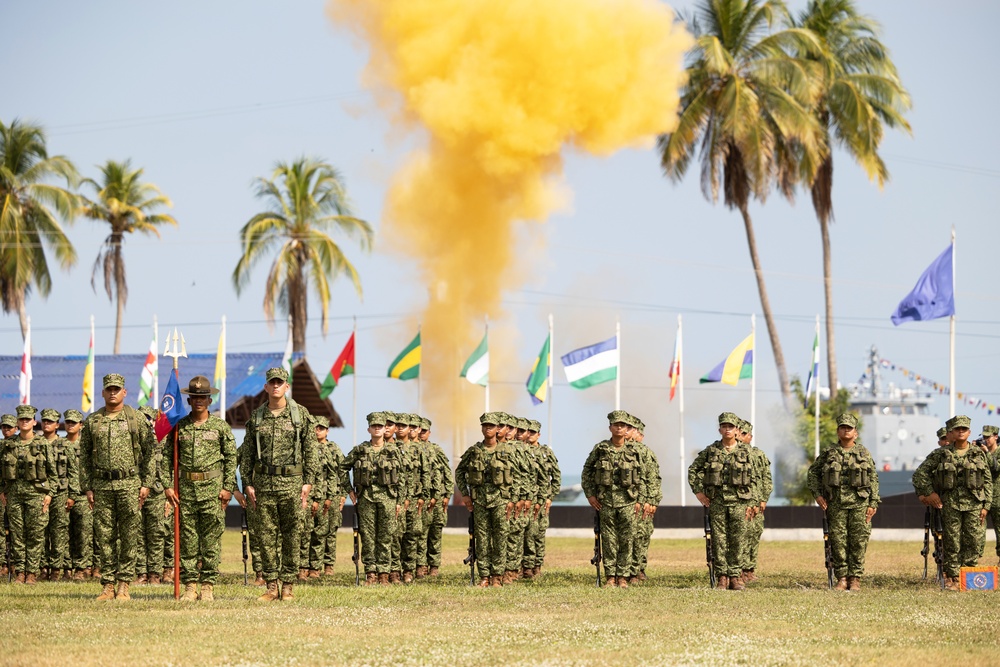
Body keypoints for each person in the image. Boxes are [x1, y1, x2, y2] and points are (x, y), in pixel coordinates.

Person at [240, 367, 319, 601]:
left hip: (292, 485)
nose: (275, 386)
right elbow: (247, 454)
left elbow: (311, 450)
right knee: (266, 536)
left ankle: (288, 586)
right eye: (271, 383)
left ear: (287, 386)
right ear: (265, 387)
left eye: (280, 382)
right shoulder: (256, 417)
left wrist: (308, 482)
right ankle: (272, 586)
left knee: (292, 536)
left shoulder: (300, 415)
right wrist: (247, 483)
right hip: (263, 485)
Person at [79, 373, 157, 601]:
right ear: (103, 393)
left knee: (129, 535)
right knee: (104, 536)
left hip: (129, 485)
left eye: (117, 389)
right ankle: (108, 585)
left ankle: (124, 584)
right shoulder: (93, 421)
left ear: (124, 392)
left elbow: (151, 452)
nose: (112, 392)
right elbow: (83, 456)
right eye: (109, 389)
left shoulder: (136, 419)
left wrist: (147, 483)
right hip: (101, 485)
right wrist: (87, 487)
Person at [166, 375, 238, 602]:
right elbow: (168, 457)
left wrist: (228, 488)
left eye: (203, 397)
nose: (198, 401)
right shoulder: (179, 427)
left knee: (210, 540)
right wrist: (168, 486)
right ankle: (190, 585)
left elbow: (231, 458)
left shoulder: (220, 427)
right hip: (185, 490)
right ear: (188, 400)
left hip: (212, 490)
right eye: (194, 397)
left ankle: (207, 584)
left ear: (209, 400)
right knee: (187, 539)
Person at [912, 415, 992, 591]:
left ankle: (970, 577)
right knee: (951, 542)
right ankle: (952, 578)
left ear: (969, 432)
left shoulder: (978, 453)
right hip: (950, 504)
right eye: (958, 429)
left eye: (964, 429)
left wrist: (986, 506)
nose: (961, 432)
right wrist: (930, 493)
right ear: (952, 433)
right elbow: (919, 474)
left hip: (974, 504)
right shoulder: (941, 454)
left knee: (972, 540)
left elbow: (987, 481)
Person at [807, 413, 880, 590]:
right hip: (836, 503)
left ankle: (855, 577)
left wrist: (873, 502)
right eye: (843, 427)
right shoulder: (829, 452)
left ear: (856, 432)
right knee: (838, 541)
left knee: (858, 541)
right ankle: (842, 577)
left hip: (859, 504)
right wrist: (817, 495)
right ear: (838, 431)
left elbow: (873, 478)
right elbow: (813, 474)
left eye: (850, 428)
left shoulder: (863, 453)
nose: (846, 430)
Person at [688, 412, 757, 591]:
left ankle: (735, 577)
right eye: (724, 426)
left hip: (740, 502)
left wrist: (754, 502)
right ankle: (722, 577)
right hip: (717, 502)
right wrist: (699, 492)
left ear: (737, 430)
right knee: (718, 540)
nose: (727, 429)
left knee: (738, 539)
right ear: (719, 429)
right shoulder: (711, 451)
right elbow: (693, 470)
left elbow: (757, 478)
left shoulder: (747, 451)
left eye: (731, 427)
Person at [581, 410, 647, 588]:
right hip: (606, 501)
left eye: (623, 425)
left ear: (627, 429)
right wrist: (590, 494)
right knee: (608, 540)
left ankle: (623, 576)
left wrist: (642, 500)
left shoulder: (635, 451)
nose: (619, 428)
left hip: (629, 501)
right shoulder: (601, 449)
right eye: (616, 425)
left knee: (627, 539)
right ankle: (610, 576)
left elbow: (646, 476)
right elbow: (587, 471)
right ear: (610, 427)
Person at [455, 412, 516, 587]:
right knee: (481, 539)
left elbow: (519, 475)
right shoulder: (475, 451)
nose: (487, 429)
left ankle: (497, 575)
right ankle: (485, 576)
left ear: (498, 429)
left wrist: (514, 498)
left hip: (501, 500)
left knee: (500, 537)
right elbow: (459, 471)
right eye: (485, 426)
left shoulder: (507, 450)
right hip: (479, 501)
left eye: (491, 426)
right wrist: (465, 495)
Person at [342, 411, 403, 585]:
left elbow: (404, 477)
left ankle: (384, 573)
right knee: (367, 536)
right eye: (374, 426)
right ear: (369, 429)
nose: (377, 429)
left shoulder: (394, 450)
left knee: (385, 536)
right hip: (366, 498)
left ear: (385, 429)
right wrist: (349, 490)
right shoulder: (361, 450)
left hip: (388, 498)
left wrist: (399, 501)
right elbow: (341, 468)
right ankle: (370, 573)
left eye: (380, 426)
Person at [0, 405, 56, 584]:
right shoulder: (8, 445)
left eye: (27, 419)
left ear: (34, 421)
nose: (24, 422)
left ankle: (32, 572)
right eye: (21, 419)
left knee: (35, 534)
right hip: (14, 495)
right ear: (17, 422)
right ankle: (20, 572)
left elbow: (53, 474)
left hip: (36, 495)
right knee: (17, 534)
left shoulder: (42, 444)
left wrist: (49, 495)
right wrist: (2, 491)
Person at [39, 408, 77, 581]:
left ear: (56, 425)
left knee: (59, 532)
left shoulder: (65, 445)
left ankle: (57, 568)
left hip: (61, 493)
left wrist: (72, 496)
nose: (46, 424)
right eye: (44, 420)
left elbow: (73, 472)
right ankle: (42, 567)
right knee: (40, 532)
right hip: (39, 492)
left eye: (50, 421)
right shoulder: (36, 444)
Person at [134, 405, 167, 586]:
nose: (145, 421)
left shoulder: (164, 440)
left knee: (156, 533)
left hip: (157, 492)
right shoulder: (134, 441)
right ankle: (141, 573)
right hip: (136, 490)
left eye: (148, 418)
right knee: (138, 534)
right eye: (142, 418)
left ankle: (155, 573)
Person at [416, 417, 451, 577]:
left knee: (435, 533)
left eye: (424, 431)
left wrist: (447, 494)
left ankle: (434, 565)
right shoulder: (413, 449)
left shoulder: (436, 450)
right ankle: (421, 564)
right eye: (419, 430)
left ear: (429, 433)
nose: (421, 433)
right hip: (421, 498)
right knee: (421, 533)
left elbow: (447, 473)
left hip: (437, 498)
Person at [313, 415, 346, 578]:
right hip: (313, 496)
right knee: (312, 532)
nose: (317, 431)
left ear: (327, 431)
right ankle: (313, 566)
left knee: (330, 532)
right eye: (315, 427)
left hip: (332, 495)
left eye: (321, 428)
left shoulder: (334, 449)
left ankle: (328, 565)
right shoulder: (307, 448)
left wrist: (343, 494)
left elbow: (343, 471)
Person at [62, 409, 93, 580]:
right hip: (62, 495)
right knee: (64, 532)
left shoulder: (86, 446)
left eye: (74, 422)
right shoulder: (59, 445)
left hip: (82, 495)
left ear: (81, 425)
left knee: (83, 533)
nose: (71, 425)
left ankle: (81, 568)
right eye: (68, 422)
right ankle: (67, 567)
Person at [740, 419, 771, 584]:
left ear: (750, 437)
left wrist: (764, 498)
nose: (740, 436)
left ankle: (750, 568)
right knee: (740, 535)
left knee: (753, 534)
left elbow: (766, 478)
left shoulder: (758, 455)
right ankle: (740, 569)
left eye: (744, 434)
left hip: (756, 503)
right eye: (739, 433)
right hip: (739, 502)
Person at [982, 425, 1000, 564]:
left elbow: (996, 467)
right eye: (984, 437)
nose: (986, 439)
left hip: (998, 498)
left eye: (988, 437)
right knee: (977, 530)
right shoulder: (983, 452)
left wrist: (986, 452)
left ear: (996, 437)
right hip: (983, 497)